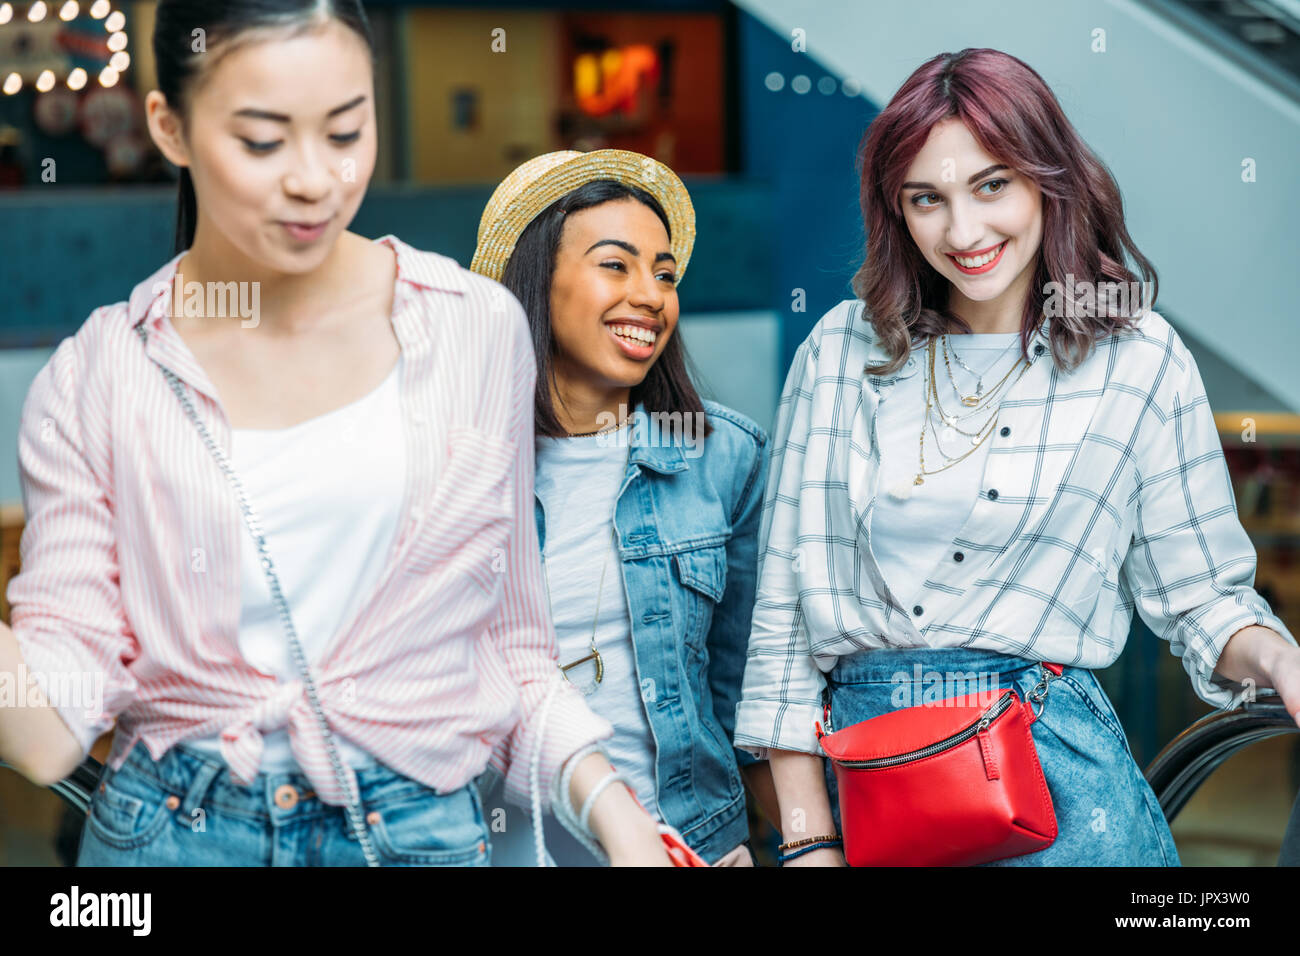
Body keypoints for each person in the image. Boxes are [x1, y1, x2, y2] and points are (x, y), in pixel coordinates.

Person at [0, 0, 673, 867]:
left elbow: (508, 648)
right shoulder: (98, 375)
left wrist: (620, 820)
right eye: (263, 141)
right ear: (169, 127)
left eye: (346, 132)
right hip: (174, 835)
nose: (315, 179)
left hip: (417, 832)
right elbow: (53, 731)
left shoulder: (475, 331)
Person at [734, 47, 1300, 867]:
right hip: (878, 795)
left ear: (1048, 176)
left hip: (1068, 793)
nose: (963, 232)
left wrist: (1279, 655)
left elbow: (1200, 599)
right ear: (895, 210)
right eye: (927, 199)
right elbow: (783, 622)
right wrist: (810, 840)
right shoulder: (839, 352)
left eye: (991, 185)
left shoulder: (1137, 357)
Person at [469, 150, 775, 865]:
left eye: (664, 274)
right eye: (617, 265)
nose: (651, 295)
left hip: (689, 847)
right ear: (535, 278)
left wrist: (795, 840)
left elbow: (749, 691)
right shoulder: (460, 467)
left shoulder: (722, 458)